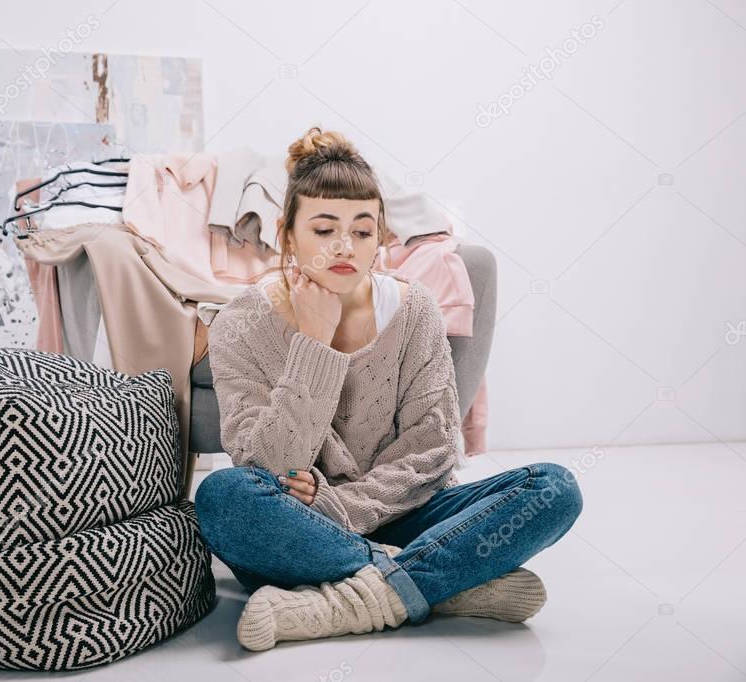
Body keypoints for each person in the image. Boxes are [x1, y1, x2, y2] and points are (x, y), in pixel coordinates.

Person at [194, 126, 583, 652]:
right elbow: (269, 465)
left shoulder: (413, 307)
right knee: (224, 497)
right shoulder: (241, 322)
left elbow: (433, 452)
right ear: (288, 235)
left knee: (554, 488)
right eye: (324, 229)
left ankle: (345, 601)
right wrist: (314, 341)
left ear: (381, 237)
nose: (344, 247)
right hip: (298, 532)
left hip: (392, 515)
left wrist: (338, 509)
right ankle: (439, 582)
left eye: (362, 231)